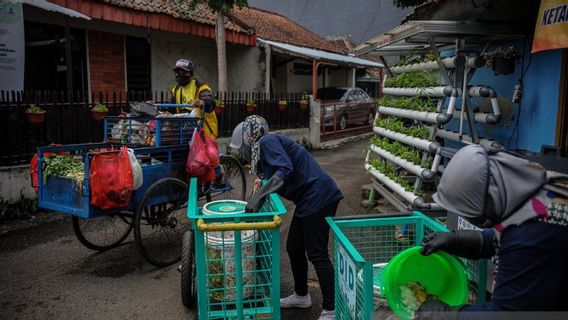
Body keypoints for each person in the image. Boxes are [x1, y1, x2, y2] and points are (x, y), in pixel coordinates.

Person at [414, 145, 568, 320]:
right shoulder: (532, 184)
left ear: (490, 198)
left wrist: (444, 315)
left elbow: (507, 315)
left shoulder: (534, 230)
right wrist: (458, 240)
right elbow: (505, 237)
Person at [230, 115, 343, 320]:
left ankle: (331, 309)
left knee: (317, 253)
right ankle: (301, 296)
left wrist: (259, 196)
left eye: (242, 145)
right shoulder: (266, 147)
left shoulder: (267, 141)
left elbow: (284, 169)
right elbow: (276, 172)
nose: (243, 151)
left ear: (250, 135)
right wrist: (261, 188)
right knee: (294, 247)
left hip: (318, 197)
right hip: (308, 200)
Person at [171, 58, 218, 141]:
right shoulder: (175, 90)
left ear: (192, 74)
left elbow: (210, 102)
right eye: (178, 72)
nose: (181, 75)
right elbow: (170, 108)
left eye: (185, 72)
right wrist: (153, 106)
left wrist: (202, 102)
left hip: (205, 134)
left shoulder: (200, 86)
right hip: (185, 133)